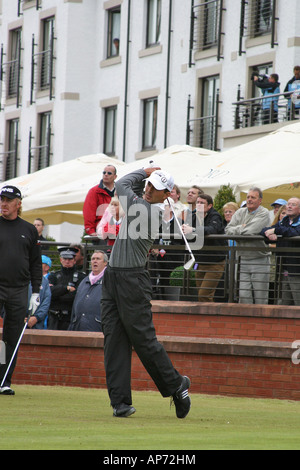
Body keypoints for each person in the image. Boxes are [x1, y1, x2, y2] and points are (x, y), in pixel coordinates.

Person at [101, 168, 191, 419]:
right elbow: (125, 187)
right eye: (148, 184)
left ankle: (176, 385)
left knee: (143, 340)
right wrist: (149, 176)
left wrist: (143, 172)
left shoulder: (148, 210)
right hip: (113, 277)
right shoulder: (143, 203)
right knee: (113, 339)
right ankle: (119, 402)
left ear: (167, 195)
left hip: (132, 280)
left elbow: (120, 183)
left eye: (155, 187)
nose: (148, 189)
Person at [0, 185, 42, 395]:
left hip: (18, 289)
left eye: (8, 200)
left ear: (18, 203)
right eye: (1, 200)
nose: (3, 204)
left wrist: (36, 291)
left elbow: (35, 263)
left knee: (12, 337)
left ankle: (4, 380)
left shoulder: (29, 230)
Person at [225, 187, 271, 304]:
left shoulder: (264, 213)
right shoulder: (240, 212)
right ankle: (246, 322)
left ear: (260, 200)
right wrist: (242, 227)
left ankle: (261, 322)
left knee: (260, 297)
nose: (249, 200)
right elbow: (227, 230)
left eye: (253, 197)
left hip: (259, 259)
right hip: (241, 260)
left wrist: (240, 229)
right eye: (248, 197)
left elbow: (251, 230)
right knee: (243, 296)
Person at [182, 194, 227, 302]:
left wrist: (192, 230)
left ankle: (209, 318)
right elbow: (186, 233)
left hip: (215, 262)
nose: (199, 205)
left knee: (204, 294)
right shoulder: (193, 217)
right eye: (197, 202)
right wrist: (184, 229)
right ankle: (206, 318)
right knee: (202, 295)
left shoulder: (215, 216)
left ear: (209, 206)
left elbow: (211, 230)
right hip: (200, 261)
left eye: (202, 203)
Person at [261, 198, 300, 305]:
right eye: (288, 204)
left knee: (298, 303)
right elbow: (264, 230)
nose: (289, 206)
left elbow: (295, 232)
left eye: (293, 204)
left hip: (297, 269)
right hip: (284, 268)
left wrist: (276, 230)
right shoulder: (284, 221)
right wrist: (270, 233)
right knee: (284, 304)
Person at [47, 248, 86, 331]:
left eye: (70, 259)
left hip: (71, 318)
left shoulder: (81, 277)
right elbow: (50, 292)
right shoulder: (53, 276)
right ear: (61, 260)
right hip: (54, 319)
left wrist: (58, 295)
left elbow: (77, 295)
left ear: (74, 260)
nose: (67, 261)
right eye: (65, 259)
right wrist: (66, 288)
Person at [69, 251, 108, 332]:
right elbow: (75, 306)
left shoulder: (109, 281)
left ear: (105, 263)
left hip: (98, 329)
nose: (95, 261)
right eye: (93, 259)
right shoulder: (84, 281)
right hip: (79, 328)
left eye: (98, 259)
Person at [83, 165, 117, 238]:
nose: (106, 174)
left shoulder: (120, 191)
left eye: (109, 173)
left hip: (117, 232)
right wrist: (91, 231)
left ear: (115, 177)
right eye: (104, 172)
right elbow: (89, 212)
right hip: (101, 232)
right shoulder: (94, 191)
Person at [27, 257, 51, 330]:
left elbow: (46, 301)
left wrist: (36, 317)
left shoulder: (45, 281)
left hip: (38, 324)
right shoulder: (19, 277)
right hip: (18, 322)